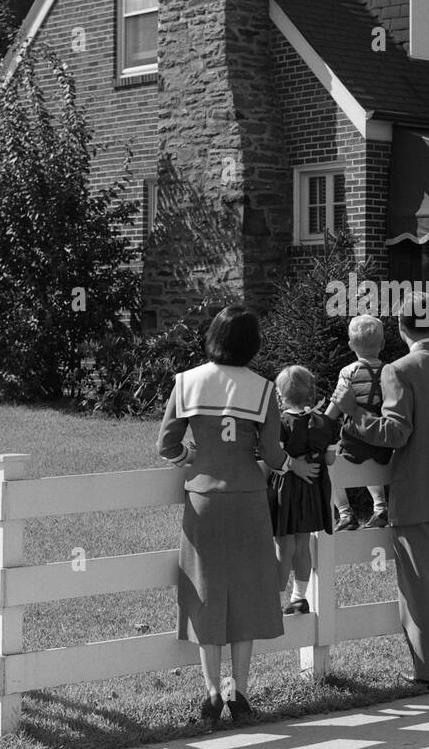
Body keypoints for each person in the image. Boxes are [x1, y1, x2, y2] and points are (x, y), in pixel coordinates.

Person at [157, 306, 320, 725]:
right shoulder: (264, 389)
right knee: (247, 593)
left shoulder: (186, 382)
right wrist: (288, 467)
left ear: (213, 336)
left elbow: (166, 444)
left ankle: (212, 693)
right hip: (248, 497)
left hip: (204, 498)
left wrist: (188, 455)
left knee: (206, 592)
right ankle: (241, 693)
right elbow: (270, 453)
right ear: (252, 343)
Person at [331, 294, 429, 690]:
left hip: (416, 492)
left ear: (401, 328)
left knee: (418, 585)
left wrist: (355, 411)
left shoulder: (399, 370)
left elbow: (395, 433)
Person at [267, 365, 337, 614]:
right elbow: (330, 460)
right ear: (310, 392)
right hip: (312, 489)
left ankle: (273, 602)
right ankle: (299, 597)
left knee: (283, 546)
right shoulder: (323, 423)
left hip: (287, 488)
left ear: (279, 395)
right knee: (303, 544)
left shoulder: (280, 422)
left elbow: (273, 456)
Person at [327, 314, 391, 532]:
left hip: (353, 436)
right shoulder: (390, 371)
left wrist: (320, 423)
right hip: (381, 436)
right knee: (373, 470)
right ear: (382, 343)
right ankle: (380, 508)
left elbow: (336, 405)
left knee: (331, 470)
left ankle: (345, 514)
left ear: (351, 344)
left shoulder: (348, 372)